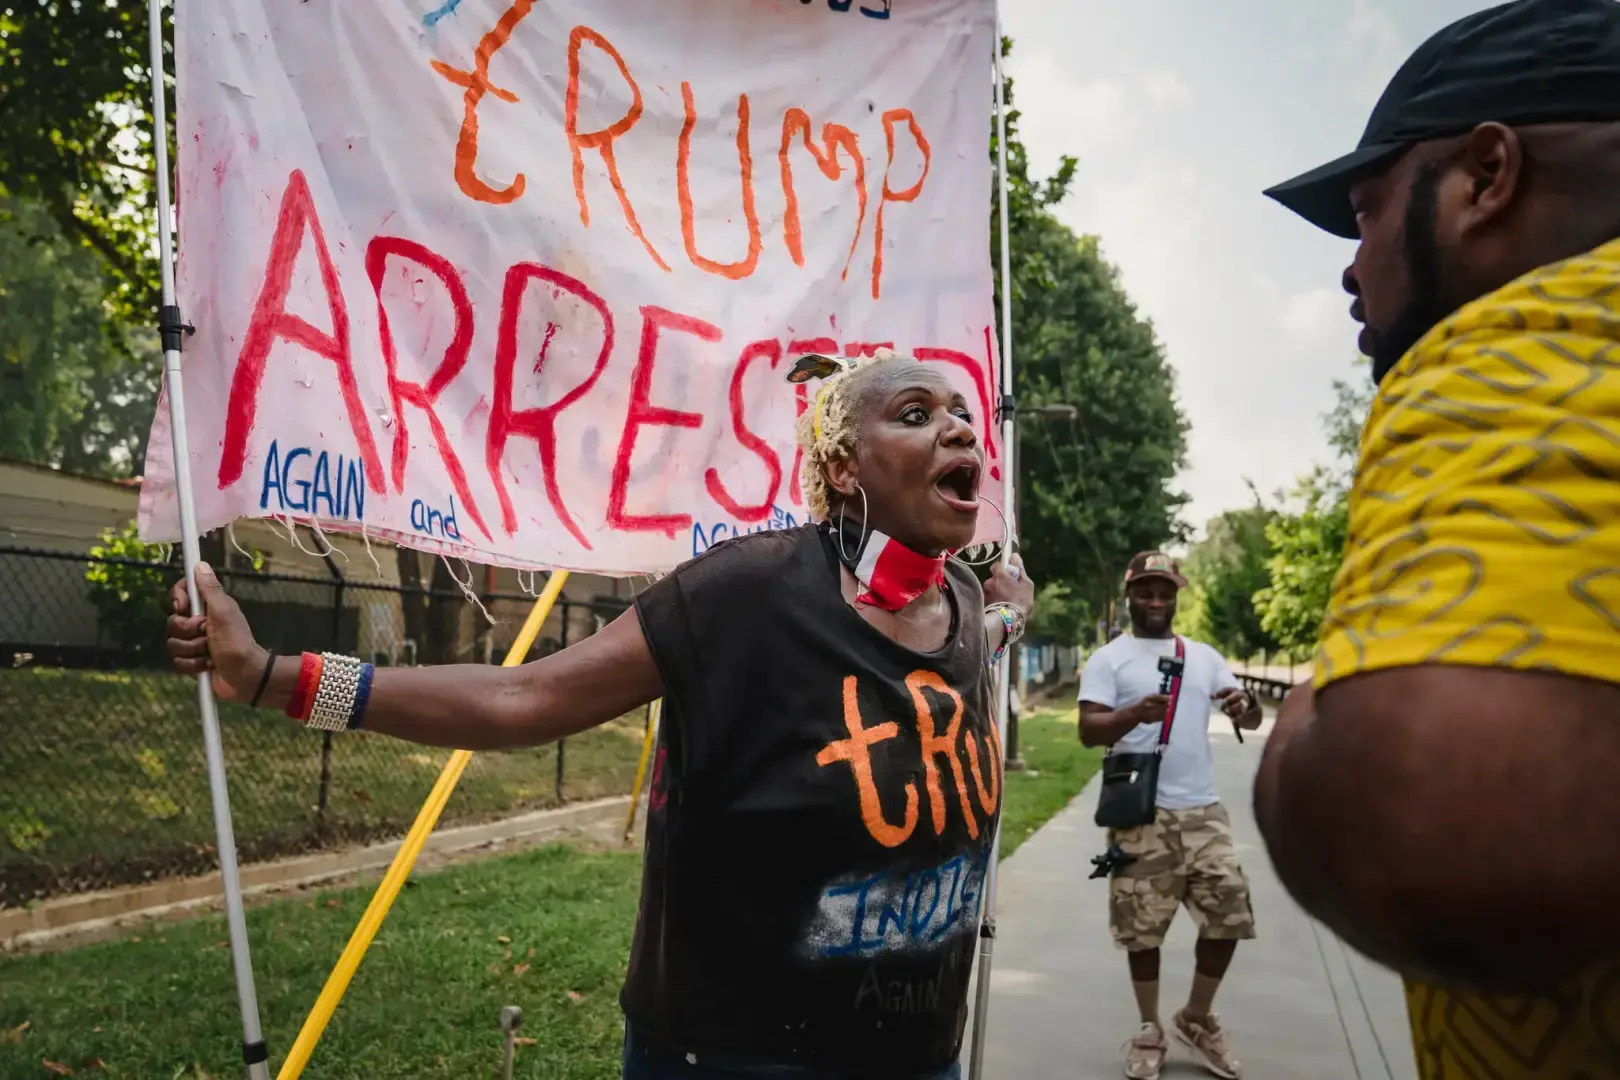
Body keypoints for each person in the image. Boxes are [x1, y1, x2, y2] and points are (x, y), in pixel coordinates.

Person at [164, 348, 1035, 1080]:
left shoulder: (962, 599)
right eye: (916, 414)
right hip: (737, 1059)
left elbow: (978, 642)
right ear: (843, 467)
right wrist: (274, 676)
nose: (960, 428)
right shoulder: (747, 593)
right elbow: (523, 699)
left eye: (961, 414)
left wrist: (1010, 614)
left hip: (923, 1058)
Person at [1258, 0, 1620, 1076]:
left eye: (1366, 211)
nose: (1352, 266)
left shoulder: (1522, 332)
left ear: (1487, 177)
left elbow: (1431, 840)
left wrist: (1307, 716)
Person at [1077, 552, 1262, 1080]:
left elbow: (1248, 714)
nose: (1156, 601)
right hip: (1140, 814)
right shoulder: (1110, 660)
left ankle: (1196, 1017)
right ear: (1130, 595)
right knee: (1142, 929)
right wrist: (1134, 714)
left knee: (1230, 910)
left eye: (1165, 592)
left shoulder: (1202, 657)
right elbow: (1088, 730)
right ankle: (1149, 1028)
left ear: (1176, 596)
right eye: (1146, 591)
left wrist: (1245, 706)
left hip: (1203, 811)